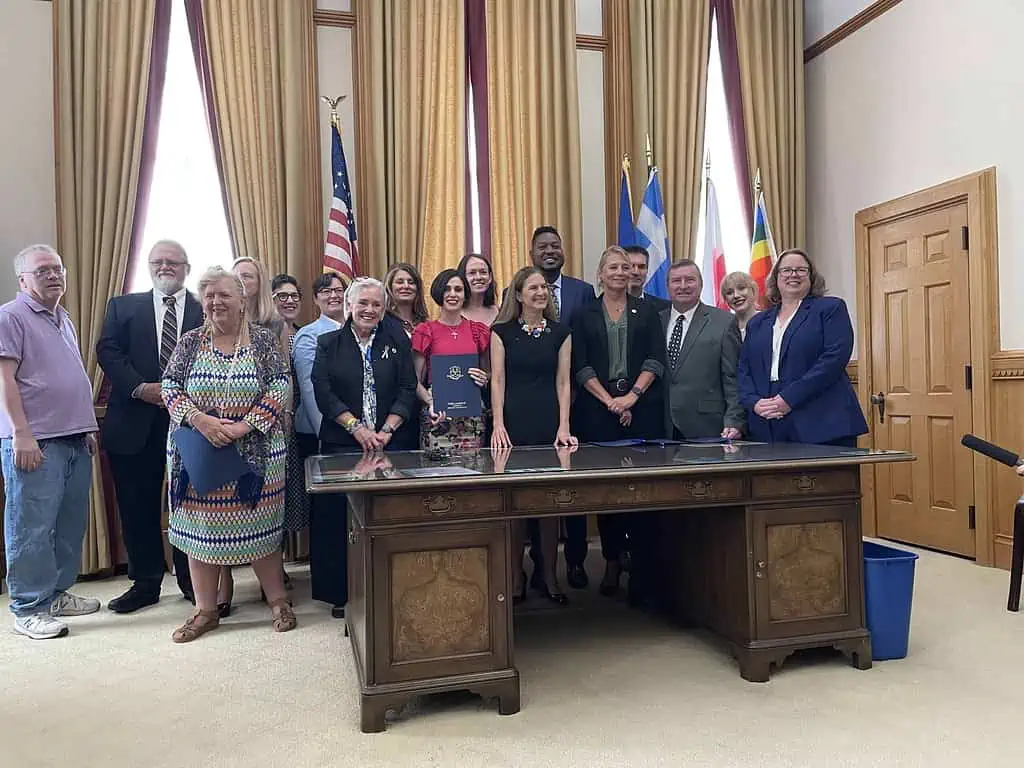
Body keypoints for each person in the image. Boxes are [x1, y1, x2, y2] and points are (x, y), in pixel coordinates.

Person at [161, 266, 294, 643]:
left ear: (242, 300)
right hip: (198, 455)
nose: (216, 302)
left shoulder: (264, 341)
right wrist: (200, 420)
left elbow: (280, 384)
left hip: (256, 456)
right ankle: (205, 610)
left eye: (224, 295)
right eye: (209, 295)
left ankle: (278, 601)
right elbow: (170, 385)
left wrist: (243, 426)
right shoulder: (189, 342)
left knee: (261, 531)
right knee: (200, 536)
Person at [96, 240, 203, 612]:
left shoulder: (208, 308)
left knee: (191, 504)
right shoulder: (122, 306)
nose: (165, 267)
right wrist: (142, 388)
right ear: (149, 266)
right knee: (137, 504)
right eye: (157, 262)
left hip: (191, 422)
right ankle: (145, 582)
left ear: (187, 267)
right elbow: (107, 351)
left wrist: (179, 396)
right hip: (135, 419)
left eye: (173, 262)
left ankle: (195, 583)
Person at [0, 244, 100, 639]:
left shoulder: (64, 317)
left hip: (74, 436)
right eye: (42, 271)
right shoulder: (10, 317)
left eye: (58, 268)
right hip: (35, 441)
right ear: (22, 279)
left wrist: (88, 424)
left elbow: (70, 376)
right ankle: (27, 607)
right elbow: (5, 380)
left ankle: (56, 594)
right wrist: (21, 433)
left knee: (69, 524)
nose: (54, 275)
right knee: (31, 527)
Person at [311, 277, 417, 618]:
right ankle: (343, 593)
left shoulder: (396, 340)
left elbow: (407, 387)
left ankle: (390, 586)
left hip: (391, 442)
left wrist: (386, 430)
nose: (370, 310)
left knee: (388, 517)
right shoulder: (328, 343)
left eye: (376, 304)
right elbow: (323, 391)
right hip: (343, 443)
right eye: (363, 303)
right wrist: (356, 428)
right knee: (340, 520)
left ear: (383, 309)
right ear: (349, 307)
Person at [572, 245, 666, 600]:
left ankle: (641, 567)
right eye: (612, 267)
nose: (620, 272)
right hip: (597, 412)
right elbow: (580, 365)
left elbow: (656, 359)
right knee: (608, 493)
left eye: (625, 268)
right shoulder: (584, 313)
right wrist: (610, 401)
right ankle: (611, 561)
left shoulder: (648, 311)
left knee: (641, 493)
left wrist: (632, 398)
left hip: (642, 409)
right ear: (600, 273)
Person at [491, 267, 576, 605]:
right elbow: (497, 380)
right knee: (514, 506)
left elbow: (564, 381)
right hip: (512, 426)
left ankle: (549, 577)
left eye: (545, 287)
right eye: (534, 287)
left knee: (549, 505)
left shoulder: (561, 332)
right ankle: (515, 579)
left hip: (549, 426)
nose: (541, 292)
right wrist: (498, 424)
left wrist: (564, 426)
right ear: (518, 294)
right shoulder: (501, 332)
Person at [737, 248, 868, 447]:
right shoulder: (757, 322)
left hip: (821, 421)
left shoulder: (830, 308)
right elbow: (743, 368)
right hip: (767, 423)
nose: (793, 275)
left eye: (801, 270)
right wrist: (754, 403)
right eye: (786, 270)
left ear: (811, 276)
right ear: (776, 277)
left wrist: (788, 399)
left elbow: (833, 359)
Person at [528, 225, 596, 590]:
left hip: (578, 400)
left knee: (574, 487)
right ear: (532, 254)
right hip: (535, 402)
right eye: (543, 247)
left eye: (556, 245)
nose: (550, 251)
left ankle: (576, 561)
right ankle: (540, 564)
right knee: (536, 486)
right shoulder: (517, 289)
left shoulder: (583, 292)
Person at [231, 257, 297, 602]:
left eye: (249, 276)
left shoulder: (274, 323)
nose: (242, 281)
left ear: (260, 281)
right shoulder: (218, 319)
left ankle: (275, 571)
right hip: (227, 426)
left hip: (269, 422)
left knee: (271, 501)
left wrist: (281, 414)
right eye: (237, 275)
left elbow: (283, 373)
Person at [292, 271, 348, 618]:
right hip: (321, 436)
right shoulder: (309, 336)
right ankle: (333, 590)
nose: (334, 296)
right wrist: (327, 434)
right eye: (326, 291)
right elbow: (311, 391)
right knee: (328, 516)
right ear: (316, 299)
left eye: (340, 290)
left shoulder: (359, 331)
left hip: (352, 435)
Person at [660, 260, 745, 441]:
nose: (683, 286)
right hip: (661, 426)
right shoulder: (656, 320)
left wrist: (734, 419)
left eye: (690, 280)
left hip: (707, 425)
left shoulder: (724, 322)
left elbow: (733, 378)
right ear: (667, 286)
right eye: (676, 281)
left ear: (701, 284)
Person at [412, 269, 490, 455]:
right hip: (438, 416)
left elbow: (489, 372)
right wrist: (431, 402)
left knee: (474, 472)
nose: (452, 294)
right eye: (447, 289)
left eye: (458, 289)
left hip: (472, 417)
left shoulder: (478, 331)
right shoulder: (425, 331)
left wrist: (484, 377)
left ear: (465, 295)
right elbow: (413, 380)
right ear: (439, 293)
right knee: (438, 476)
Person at [384, 262, 428, 339]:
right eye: (400, 282)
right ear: (390, 287)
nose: (406, 286)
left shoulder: (426, 325)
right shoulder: (382, 322)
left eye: (411, 282)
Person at [625, 244, 670, 313]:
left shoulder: (664, 308)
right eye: (630, 266)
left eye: (641, 267)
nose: (636, 272)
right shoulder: (607, 305)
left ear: (647, 270)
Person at [458, 253, 500, 326]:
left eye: (483, 272)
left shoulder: (501, 314)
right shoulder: (454, 314)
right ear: (462, 278)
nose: (478, 277)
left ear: (490, 277)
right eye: (472, 273)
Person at [719, 271, 759, 340]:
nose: (736, 295)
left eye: (741, 288)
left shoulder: (768, 321)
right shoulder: (723, 328)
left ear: (753, 290)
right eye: (729, 292)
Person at [270, 273, 304, 341]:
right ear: (271, 300)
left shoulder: (305, 334)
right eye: (283, 296)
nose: (290, 301)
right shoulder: (263, 335)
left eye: (294, 296)